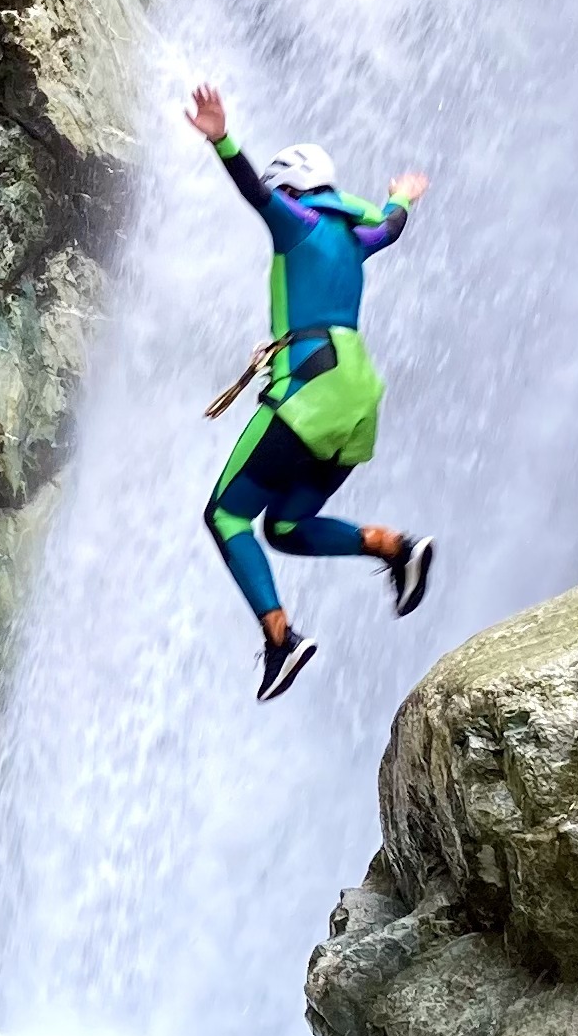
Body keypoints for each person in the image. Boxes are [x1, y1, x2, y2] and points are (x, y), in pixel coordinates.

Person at [186, 84, 434, 701]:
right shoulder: (356, 234)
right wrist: (399, 196)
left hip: (311, 389)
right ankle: (395, 548)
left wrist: (222, 137)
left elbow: (255, 193)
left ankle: (281, 641)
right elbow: (393, 227)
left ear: (295, 189)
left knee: (225, 515)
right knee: (286, 527)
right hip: (358, 402)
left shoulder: (298, 224)